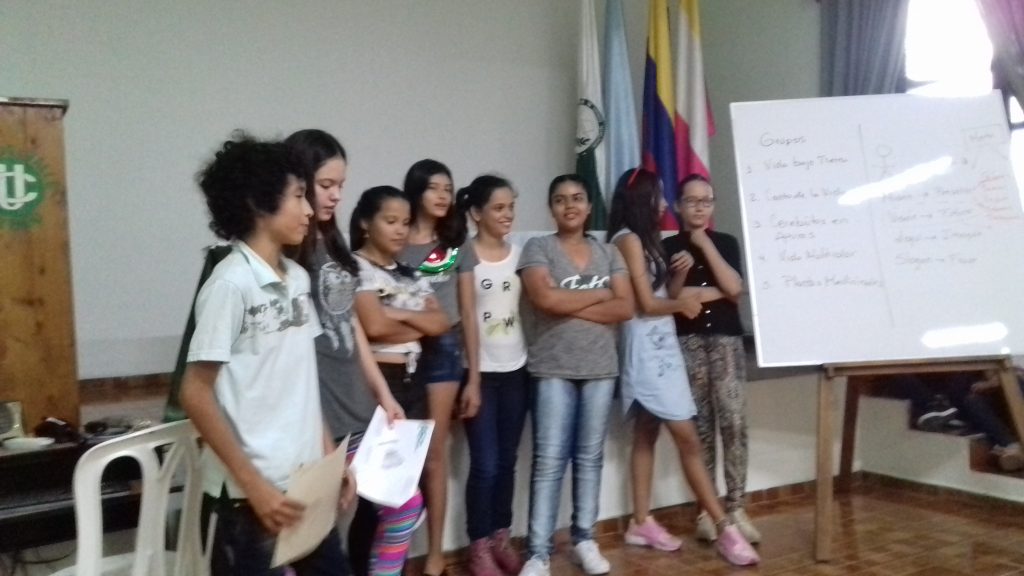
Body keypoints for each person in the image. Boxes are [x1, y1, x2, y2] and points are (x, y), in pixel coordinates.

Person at [180, 134, 354, 576]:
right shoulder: (230, 284)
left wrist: (329, 461)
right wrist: (254, 486)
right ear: (259, 203)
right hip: (251, 497)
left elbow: (300, 385)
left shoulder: (296, 278)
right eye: (299, 196)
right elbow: (195, 393)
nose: (310, 210)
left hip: (303, 482)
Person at [607, 168, 759, 566]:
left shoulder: (645, 239)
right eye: (658, 197)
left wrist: (681, 290)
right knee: (690, 439)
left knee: (646, 432)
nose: (663, 205)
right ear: (641, 200)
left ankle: (641, 521)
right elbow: (645, 303)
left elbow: (719, 288)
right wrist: (682, 303)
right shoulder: (628, 240)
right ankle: (724, 526)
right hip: (648, 350)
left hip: (661, 347)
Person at [286, 129, 420, 576]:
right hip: (319, 416)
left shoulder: (331, 243)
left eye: (340, 185)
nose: (335, 196)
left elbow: (352, 324)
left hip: (358, 407)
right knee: (307, 535)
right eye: (326, 185)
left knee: (405, 505)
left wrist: (383, 393)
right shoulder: (289, 253)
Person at [517, 175, 634, 576]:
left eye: (578, 198)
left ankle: (585, 539)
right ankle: (538, 553)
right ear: (551, 207)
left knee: (589, 458)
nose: (570, 206)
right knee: (549, 460)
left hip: (600, 367)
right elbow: (543, 299)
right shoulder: (538, 248)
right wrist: (601, 294)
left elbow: (625, 308)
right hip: (553, 367)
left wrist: (567, 302)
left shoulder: (609, 252)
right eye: (560, 199)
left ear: (589, 206)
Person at [663, 174, 760, 545]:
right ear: (678, 206)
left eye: (706, 201)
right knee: (700, 426)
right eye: (692, 201)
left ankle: (736, 507)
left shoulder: (726, 242)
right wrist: (710, 288)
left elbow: (735, 288)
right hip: (687, 342)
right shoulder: (669, 246)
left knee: (733, 422)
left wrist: (704, 244)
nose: (700, 207)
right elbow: (672, 297)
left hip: (726, 341)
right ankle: (707, 509)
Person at [400, 159, 481, 576]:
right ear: (416, 191)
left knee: (434, 455)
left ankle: (435, 556)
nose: (443, 195)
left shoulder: (455, 243)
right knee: (398, 453)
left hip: (444, 350)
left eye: (448, 189)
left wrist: (474, 378)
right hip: (397, 352)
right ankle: (394, 553)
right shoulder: (394, 238)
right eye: (434, 187)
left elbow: (468, 311)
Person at [456, 175, 529, 576]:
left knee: (506, 462)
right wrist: (471, 381)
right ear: (476, 213)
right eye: (498, 208)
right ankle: (478, 545)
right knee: (484, 464)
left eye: (510, 207)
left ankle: (502, 535)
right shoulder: (461, 255)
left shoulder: (521, 255)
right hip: (478, 374)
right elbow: (462, 312)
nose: (507, 215)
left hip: (517, 371)